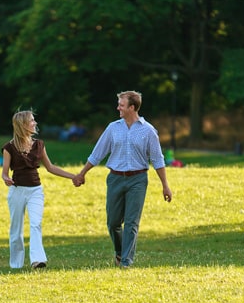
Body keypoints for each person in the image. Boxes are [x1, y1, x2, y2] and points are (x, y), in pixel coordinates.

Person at [74, 91, 173, 268]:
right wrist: (82, 173)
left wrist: (165, 186)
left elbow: (157, 160)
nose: (118, 107)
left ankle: (126, 262)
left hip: (138, 180)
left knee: (131, 223)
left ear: (132, 107)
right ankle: (119, 252)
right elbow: (97, 154)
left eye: (121, 105)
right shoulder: (113, 128)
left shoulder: (148, 131)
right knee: (113, 223)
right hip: (115, 179)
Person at [1, 110, 78, 269]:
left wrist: (73, 176)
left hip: (36, 190)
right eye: (32, 120)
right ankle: (16, 265)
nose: (35, 123)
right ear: (23, 125)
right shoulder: (9, 147)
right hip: (17, 191)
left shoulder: (39, 145)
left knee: (36, 223)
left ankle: (37, 260)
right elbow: (4, 172)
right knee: (16, 229)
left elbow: (50, 167)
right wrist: (5, 178)